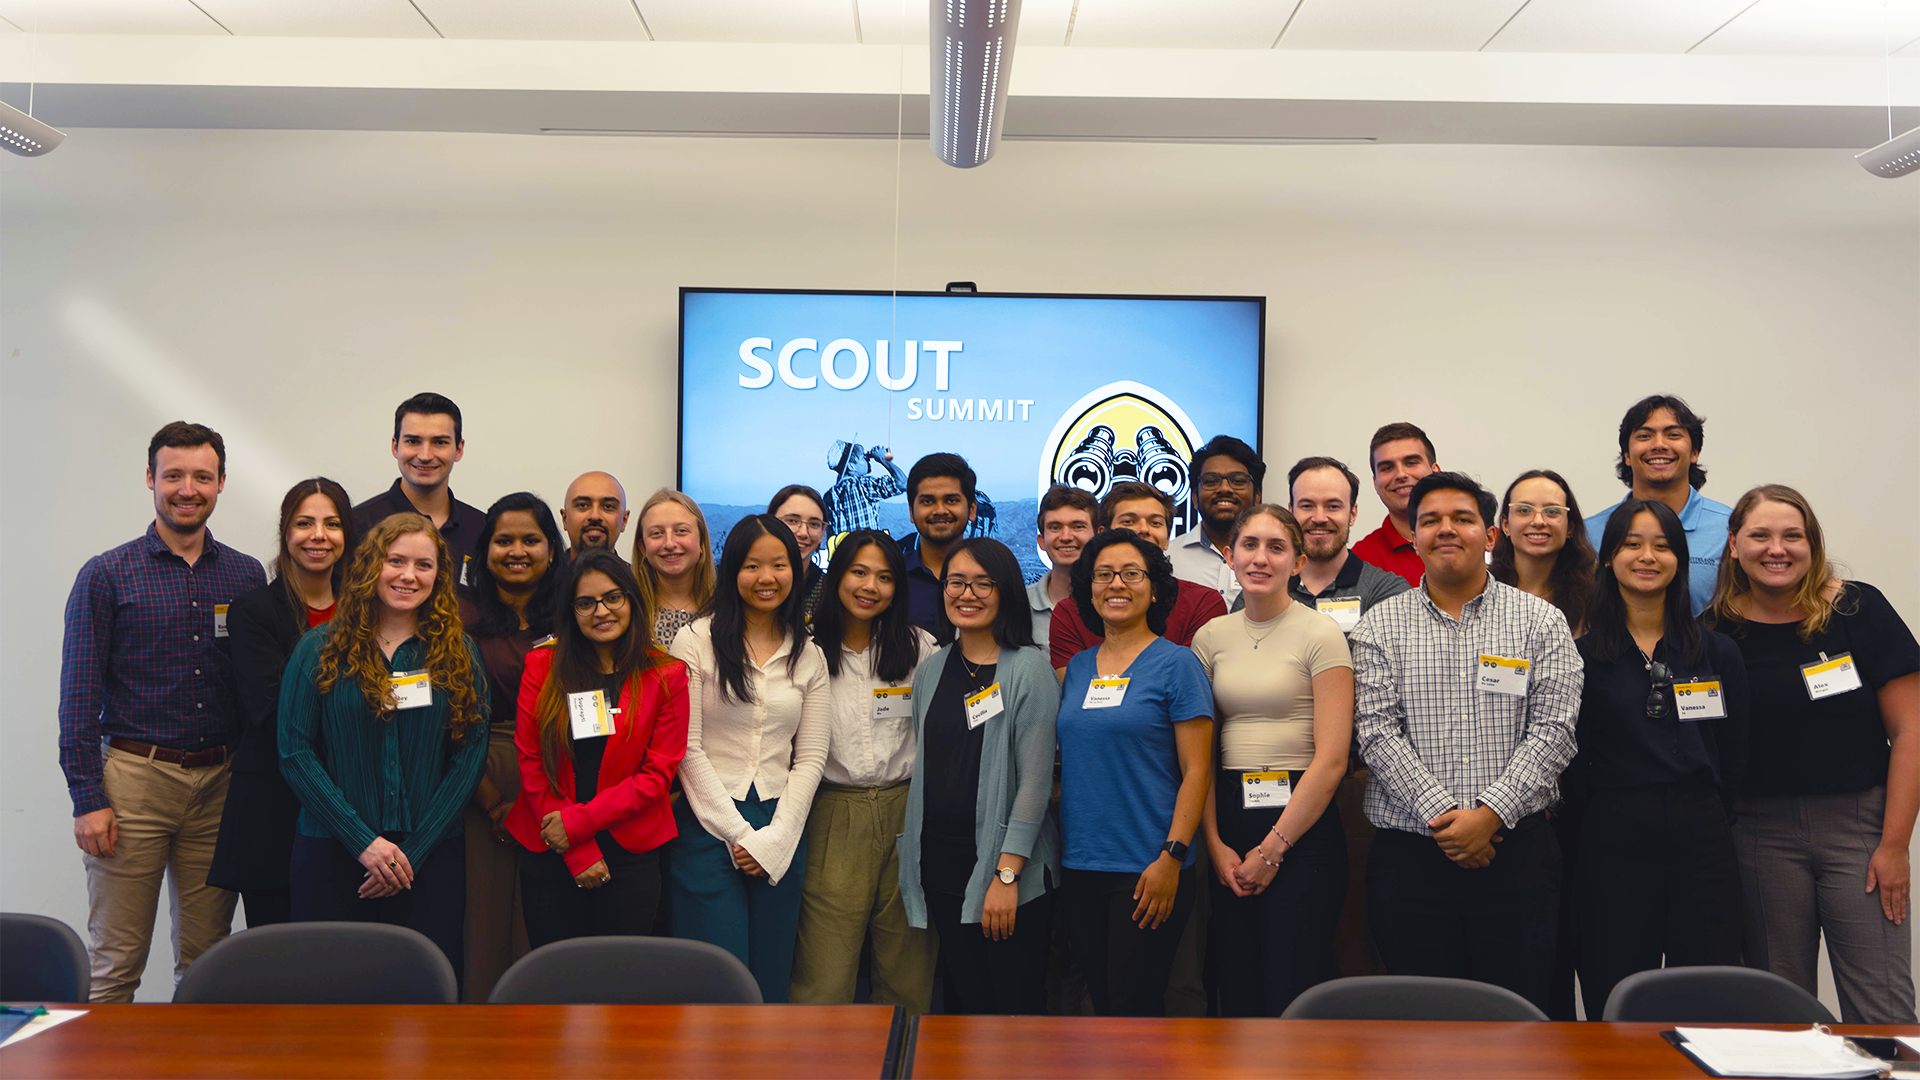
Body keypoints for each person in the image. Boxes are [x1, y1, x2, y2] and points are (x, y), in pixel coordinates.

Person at [1350, 472, 1580, 1013]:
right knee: (1420, 1027)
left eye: (1462, 519)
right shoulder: (1379, 627)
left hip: (1515, 856)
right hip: (1411, 861)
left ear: (1491, 535)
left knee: (1516, 1020)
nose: (1446, 530)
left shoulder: (1541, 622)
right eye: (1430, 520)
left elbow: (1555, 732)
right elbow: (1377, 733)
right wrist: (1449, 822)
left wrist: (1490, 816)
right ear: (1415, 537)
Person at [60, 422, 267, 1002]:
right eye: (173, 474)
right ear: (150, 479)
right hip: (133, 786)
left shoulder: (245, 574)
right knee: (117, 961)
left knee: (208, 961)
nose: (187, 488)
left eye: (202, 476)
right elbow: (77, 696)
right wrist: (88, 799)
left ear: (222, 483)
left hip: (219, 787)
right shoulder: (106, 574)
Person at [1706, 485, 1920, 1024]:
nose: (1776, 549)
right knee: (1781, 1008)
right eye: (1760, 536)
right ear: (1734, 546)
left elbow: (1913, 730)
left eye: (1791, 536)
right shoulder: (1714, 632)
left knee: (1884, 1005)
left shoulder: (1856, 609)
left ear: (1812, 544)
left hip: (1859, 830)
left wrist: (1895, 845)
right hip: (1758, 835)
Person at [278, 514, 490, 975]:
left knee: (421, 1006)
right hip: (333, 855)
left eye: (424, 565)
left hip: (428, 860)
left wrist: (412, 852)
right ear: (372, 566)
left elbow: (470, 755)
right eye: (395, 561)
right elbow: (295, 753)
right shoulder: (317, 648)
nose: (408, 576)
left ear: (440, 576)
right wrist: (364, 844)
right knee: (329, 1000)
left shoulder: (458, 653)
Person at [1571, 499, 1748, 1021]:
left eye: (1663, 546)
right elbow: (1571, 759)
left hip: (1703, 835)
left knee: (1708, 990)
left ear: (1681, 558)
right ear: (1607, 558)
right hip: (1611, 836)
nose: (1647, 557)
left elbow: (1734, 751)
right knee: (1617, 984)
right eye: (1632, 544)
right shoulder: (1580, 658)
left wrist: (1712, 811)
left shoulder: (1716, 652)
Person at [1192, 504, 1353, 1016]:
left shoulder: (1321, 633)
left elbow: (1331, 760)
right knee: (1236, 988)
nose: (1261, 558)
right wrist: (1215, 843)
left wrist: (1273, 849)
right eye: (1250, 545)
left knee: (1293, 989)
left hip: (1301, 829)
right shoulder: (1210, 637)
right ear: (1230, 555)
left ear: (1298, 562)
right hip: (1230, 828)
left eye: (1276, 547)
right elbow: (1203, 755)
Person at [667, 515, 829, 1002]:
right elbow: (686, 748)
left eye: (779, 565)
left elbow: (812, 756)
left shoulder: (809, 654)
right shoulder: (694, 641)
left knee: (772, 971)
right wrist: (740, 836)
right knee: (721, 974)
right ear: (732, 569)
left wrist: (776, 838)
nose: (767, 578)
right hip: (707, 824)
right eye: (753, 565)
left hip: (782, 821)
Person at [897, 537, 1062, 1015]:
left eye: (982, 583)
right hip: (943, 866)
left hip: (1009, 872)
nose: (966, 594)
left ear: (1005, 591)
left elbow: (1034, 783)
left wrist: (1006, 874)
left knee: (1012, 1009)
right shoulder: (932, 668)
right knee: (965, 1005)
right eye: (956, 582)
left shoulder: (1029, 669)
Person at [1056, 528, 1214, 1016]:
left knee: (1134, 1009)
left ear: (1155, 587)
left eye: (1130, 573)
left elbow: (1197, 770)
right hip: (1080, 864)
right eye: (1103, 575)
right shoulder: (1079, 667)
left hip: (1148, 867)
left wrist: (1171, 857)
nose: (1116, 584)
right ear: (1087, 588)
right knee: (1101, 1003)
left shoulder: (1178, 665)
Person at [789, 531, 939, 1012]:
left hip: (908, 810)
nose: (870, 586)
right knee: (825, 971)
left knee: (907, 969)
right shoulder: (803, 648)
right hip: (833, 811)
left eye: (885, 576)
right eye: (859, 572)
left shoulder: (920, 649)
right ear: (837, 577)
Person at [508, 549, 689, 947]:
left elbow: (658, 776)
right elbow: (532, 761)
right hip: (551, 845)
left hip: (630, 852)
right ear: (571, 611)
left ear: (632, 600)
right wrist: (576, 849)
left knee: (621, 985)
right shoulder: (542, 665)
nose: (601, 611)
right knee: (555, 983)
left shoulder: (667, 674)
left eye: (613, 597)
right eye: (586, 603)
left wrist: (579, 824)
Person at [209, 478, 355, 930]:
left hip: (352, 803)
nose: (318, 535)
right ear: (285, 532)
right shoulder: (253, 610)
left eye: (332, 524)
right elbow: (270, 710)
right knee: (277, 958)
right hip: (273, 808)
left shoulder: (364, 610)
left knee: (342, 957)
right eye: (304, 523)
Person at [1285, 456, 1409, 983]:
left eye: (1332, 505)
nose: (1319, 517)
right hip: (1282, 783)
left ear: (1354, 512)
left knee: (1356, 939)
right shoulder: (1262, 589)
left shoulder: (1388, 592)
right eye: (1306, 505)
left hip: (1362, 784)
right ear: (1290, 513)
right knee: (1293, 941)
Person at [1487, 467, 1595, 1019]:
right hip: (1510, 799)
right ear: (1503, 524)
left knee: (1580, 942)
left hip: (1590, 794)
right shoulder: (1477, 595)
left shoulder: (1600, 598)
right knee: (1523, 953)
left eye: (1553, 511)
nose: (1538, 522)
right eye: (1525, 510)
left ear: (1570, 523)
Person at [457, 493, 564, 1000]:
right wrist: (491, 799)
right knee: (484, 918)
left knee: (545, 917)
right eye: (504, 540)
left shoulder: (576, 614)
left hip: (561, 781)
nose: (516, 550)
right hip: (477, 774)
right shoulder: (458, 616)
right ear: (485, 550)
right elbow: (447, 720)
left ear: (551, 548)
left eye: (530, 540)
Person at [1047, 482, 1229, 677]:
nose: (1143, 530)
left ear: (1167, 538)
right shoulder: (1069, 612)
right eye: (1128, 522)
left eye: (1155, 523)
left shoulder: (1203, 604)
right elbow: (1077, 694)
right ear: (1102, 535)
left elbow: (1187, 684)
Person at [1586, 395, 1732, 617]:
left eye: (1673, 435)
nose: (1659, 445)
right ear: (1626, 455)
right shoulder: (1590, 534)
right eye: (1644, 436)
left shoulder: (1729, 529)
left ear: (1694, 453)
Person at [350, 392, 488, 588]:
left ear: (458, 449)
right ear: (395, 447)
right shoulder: (358, 526)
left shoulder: (482, 529)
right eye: (413, 441)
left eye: (440, 442)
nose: (425, 455)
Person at [1168, 435, 1263, 609]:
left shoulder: (1275, 560)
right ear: (1195, 498)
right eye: (1211, 481)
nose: (1224, 489)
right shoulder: (1168, 558)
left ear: (1257, 496)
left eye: (1238, 481)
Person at [1351, 422, 1439, 588]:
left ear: (1436, 471)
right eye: (1387, 467)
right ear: (1376, 483)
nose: (1400, 475)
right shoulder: (1362, 557)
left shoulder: (1481, 539)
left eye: (1411, 462)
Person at [900, 453, 979, 632]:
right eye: (928, 501)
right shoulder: (891, 578)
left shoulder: (995, 578)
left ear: (972, 509)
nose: (940, 510)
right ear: (912, 512)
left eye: (951, 500)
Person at [632, 489, 717, 651]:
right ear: (642, 548)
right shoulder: (628, 609)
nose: (669, 544)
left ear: (701, 541)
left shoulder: (728, 607)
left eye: (681, 531)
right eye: (657, 533)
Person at [1025, 485, 1097, 652]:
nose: (1066, 537)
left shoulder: (1117, 602)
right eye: (1055, 527)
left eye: (1078, 526)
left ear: (1098, 535)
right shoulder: (1017, 606)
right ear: (1041, 541)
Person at [822, 440, 906, 538]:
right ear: (851, 466)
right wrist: (883, 459)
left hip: (842, 552)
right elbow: (903, 483)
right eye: (862, 457)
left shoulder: (829, 495)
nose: (868, 460)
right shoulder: (864, 485)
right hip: (868, 550)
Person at [768, 484, 829, 616]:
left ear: (822, 533)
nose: (803, 533)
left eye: (814, 524)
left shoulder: (830, 592)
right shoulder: (746, 582)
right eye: (792, 521)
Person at [560, 471, 630, 554]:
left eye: (608, 507)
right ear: (565, 519)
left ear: (624, 520)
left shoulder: (632, 568)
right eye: (582, 505)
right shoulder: (544, 567)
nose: (595, 516)